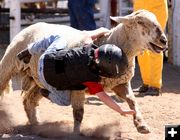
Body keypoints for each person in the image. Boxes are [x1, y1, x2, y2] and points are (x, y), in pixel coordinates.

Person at [17, 28, 135, 116]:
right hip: (46, 79)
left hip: (46, 58)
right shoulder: (92, 79)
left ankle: (30, 49)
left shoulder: (88, 49)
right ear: (105, 72)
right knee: (65, 101)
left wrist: (101, 31)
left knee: (58, 38)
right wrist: (120, 109)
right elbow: (104, 98)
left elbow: (87, 36)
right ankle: (45, 92)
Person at [132, 0, 168, 96]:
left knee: (155, 44)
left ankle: (155, 85)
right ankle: (147, 83)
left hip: (157, 6)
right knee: (141, 46)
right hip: (140, 6)